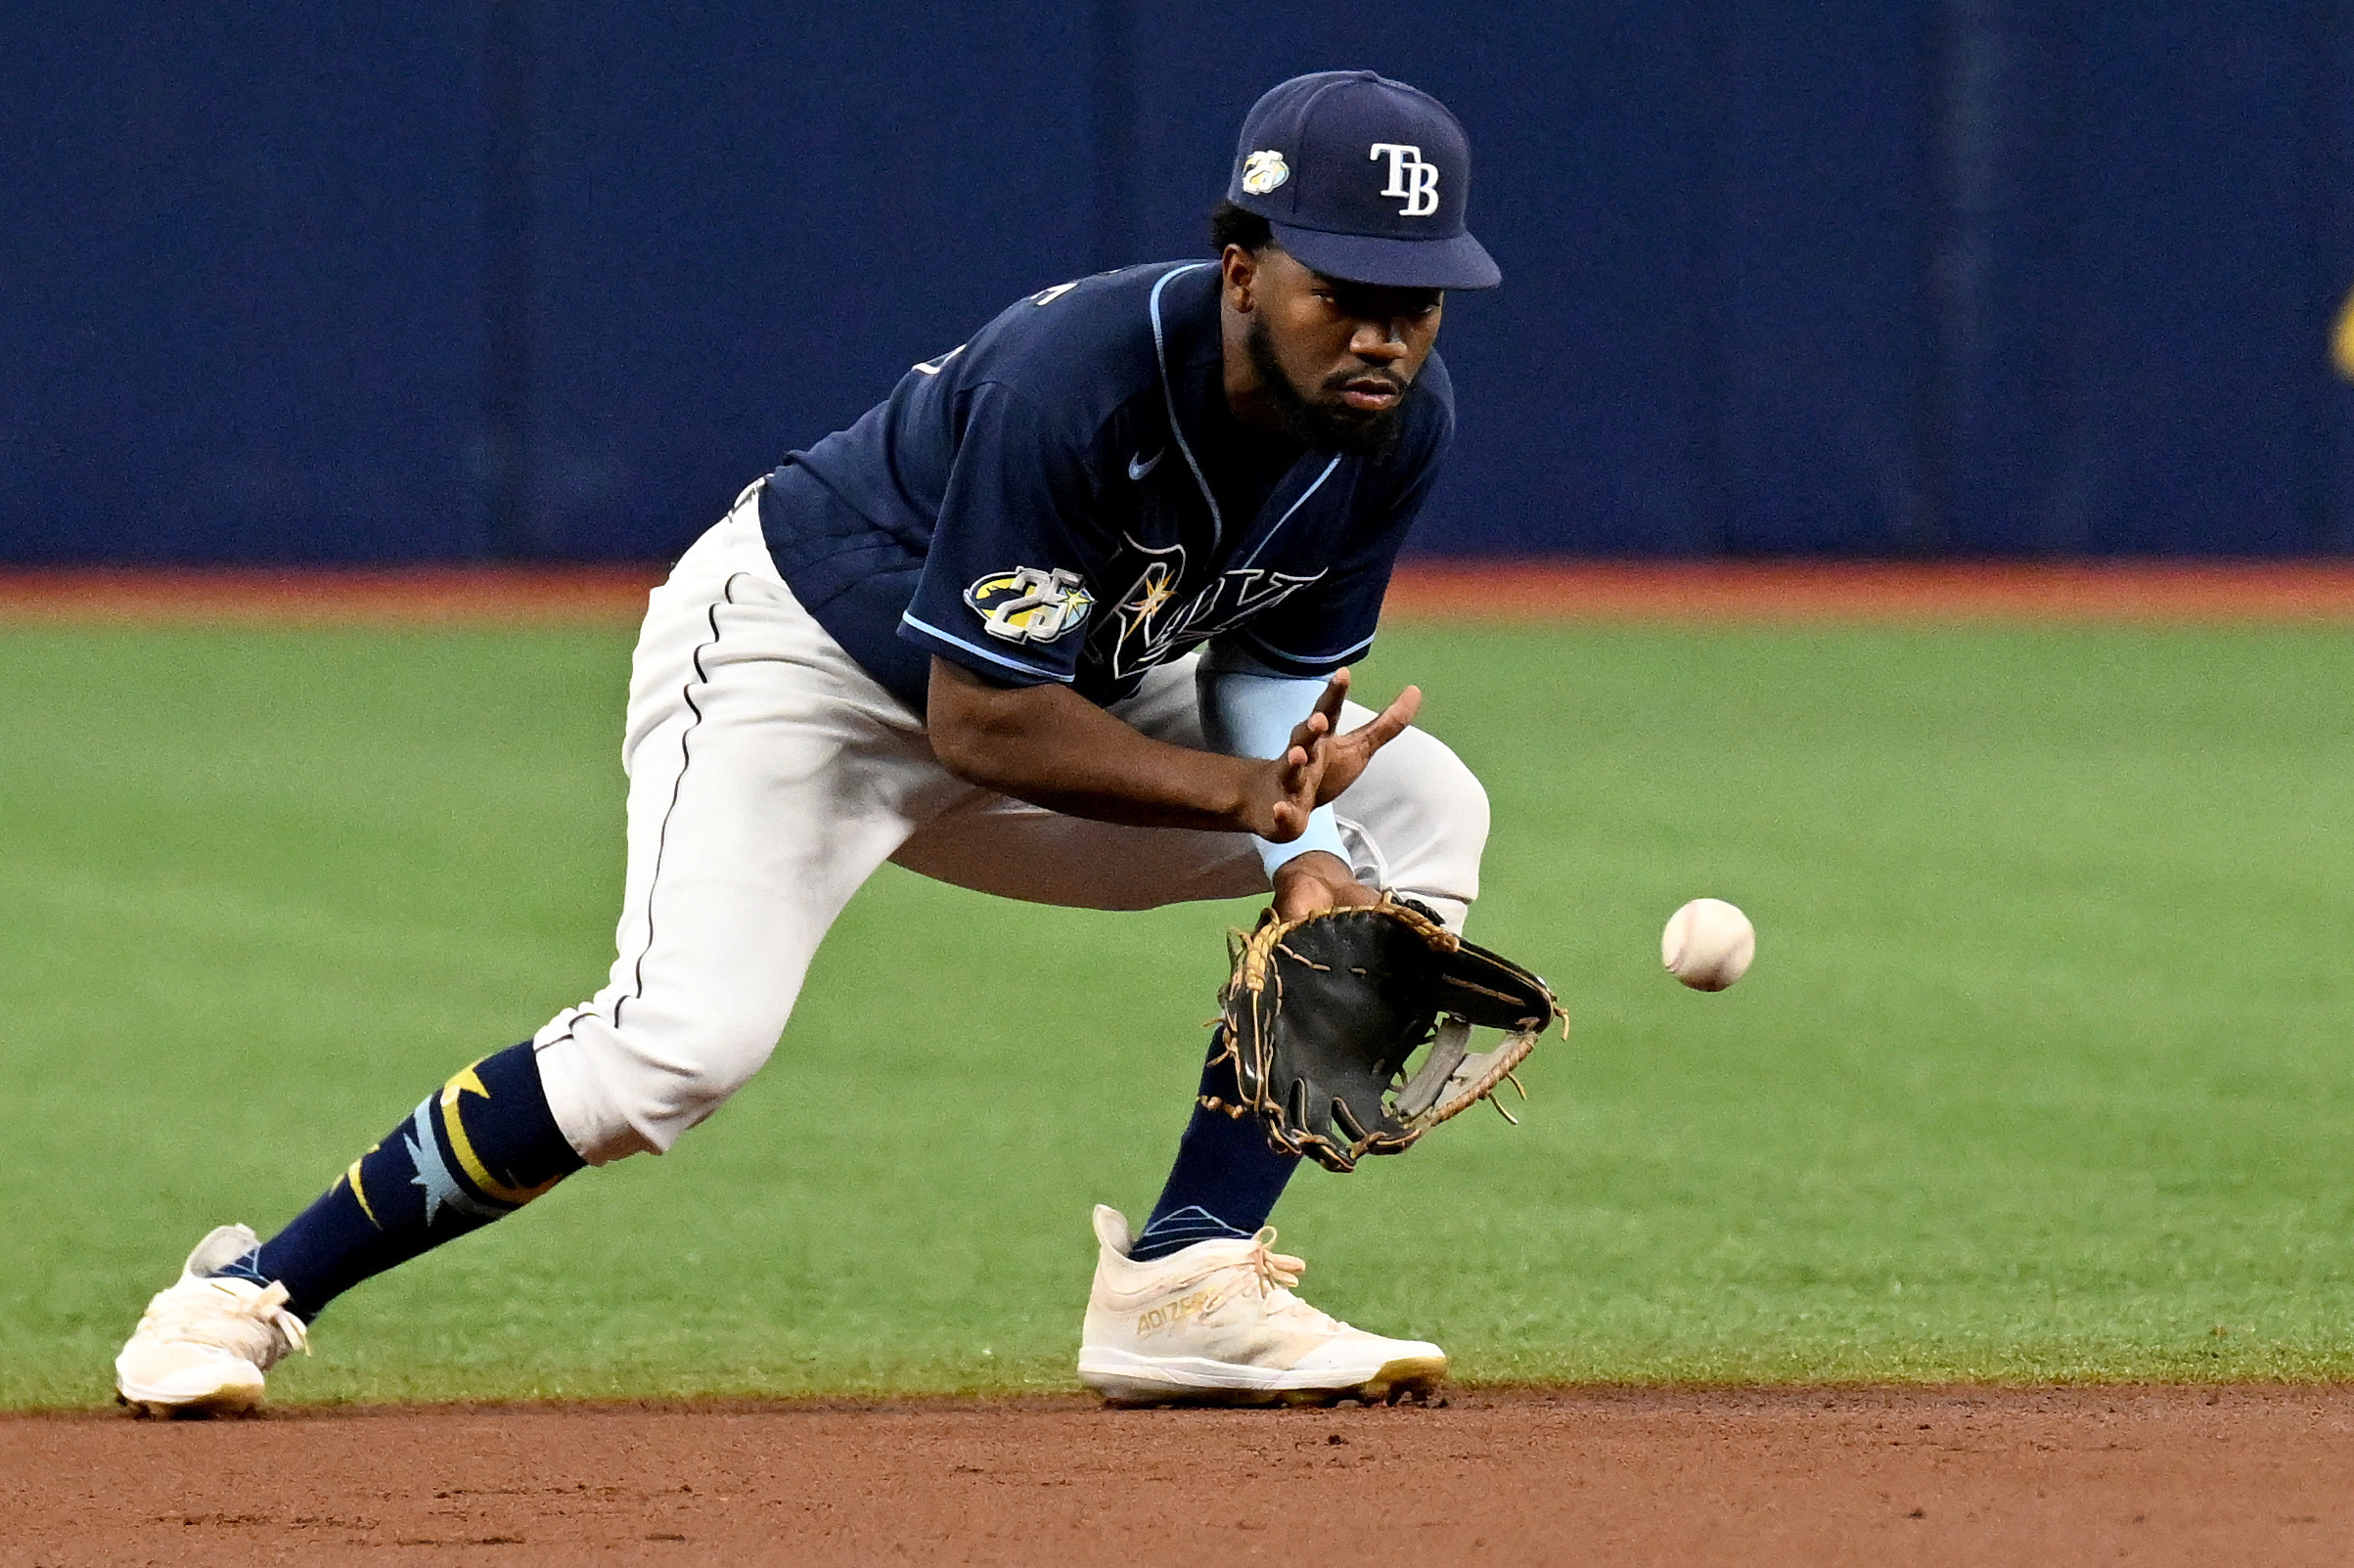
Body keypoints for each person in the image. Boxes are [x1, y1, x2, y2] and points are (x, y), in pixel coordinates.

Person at [113, 67, 1503, 1413]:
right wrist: (1246, 804)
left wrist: (1308, 846)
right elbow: (983, 722)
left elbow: (1266, 683)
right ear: (1242, 265)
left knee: (1414, 821)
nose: (1381, 337)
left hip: (1062, 692)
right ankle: (246, 1290)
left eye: (1415, 302)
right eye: (1345, 294)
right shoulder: (1072, 376)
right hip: (806, 667)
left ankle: (1188, 1283)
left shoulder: (1393, 426)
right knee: (679, 1049)